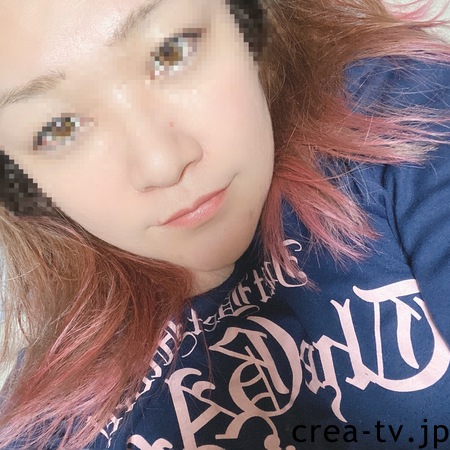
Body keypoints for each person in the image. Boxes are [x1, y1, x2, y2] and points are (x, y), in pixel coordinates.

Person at [0, 0, 450, 448]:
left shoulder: (395, 122)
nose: (162, 164)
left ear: (245, 18)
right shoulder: (49, 423)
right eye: (58, 128)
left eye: (171, 51)